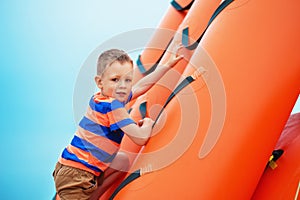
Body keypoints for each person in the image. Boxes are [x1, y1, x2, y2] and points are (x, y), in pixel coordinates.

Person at [53, 47, 183, 200]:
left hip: (70, 167)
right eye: (115, 80)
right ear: (100, 82)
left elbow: (142, 86)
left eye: (127, 80)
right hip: (77, 176)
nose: (122, 86)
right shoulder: (113, 106)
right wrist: (147, 123)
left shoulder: (102, 97)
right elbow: (140, 138)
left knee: (121, 161)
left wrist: (167, 65)